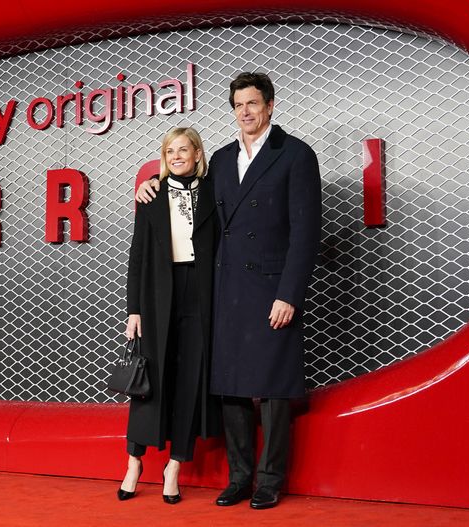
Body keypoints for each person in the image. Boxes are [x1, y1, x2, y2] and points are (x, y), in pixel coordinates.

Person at [135, 72, 321, 509]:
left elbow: (306, 233)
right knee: (233, 385)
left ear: (270, 105)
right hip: (225, 289)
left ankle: (270, 480)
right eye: (239, 105)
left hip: (273, 289)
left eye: (253, 103)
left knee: (273, 390)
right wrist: (153, 187)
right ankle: (240, 477)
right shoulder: (219, 159)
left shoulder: (295, 155)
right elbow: (187, 193)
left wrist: (290, 293)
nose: (246, 112)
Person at [119, 127, 222, 504]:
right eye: (169, 150)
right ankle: (134, 462)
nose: (176, 156)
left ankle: (174, 467)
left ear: (197, 153)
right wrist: (134, 309)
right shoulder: (151, 194)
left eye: (183, 149)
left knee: (190, 381)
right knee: (150, 380)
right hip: (158, 292)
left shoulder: (215, 191)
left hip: (201, 294)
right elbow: (138, 256)